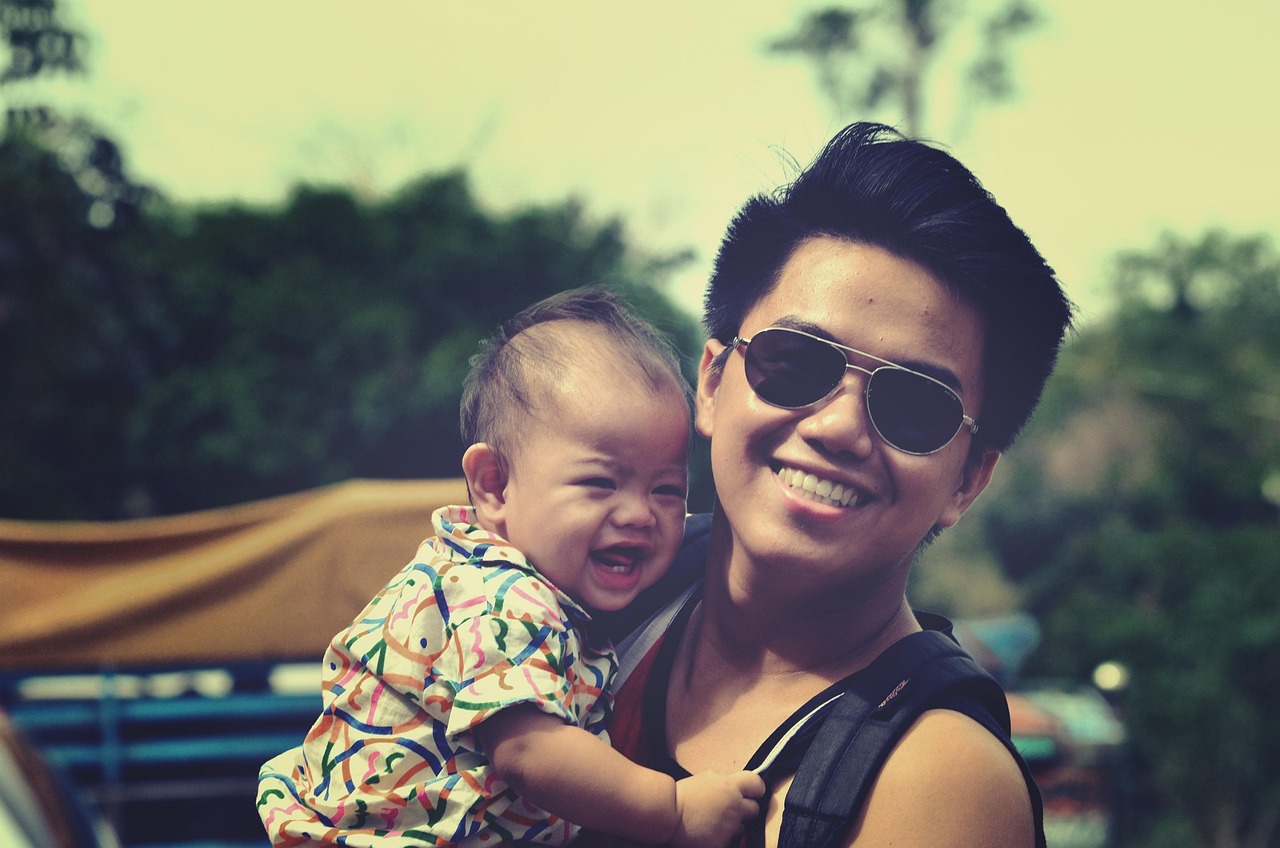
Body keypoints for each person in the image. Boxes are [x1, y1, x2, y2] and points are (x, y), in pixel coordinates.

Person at [575, 123, 1074, 848]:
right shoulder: (593, 594)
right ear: (712, 382)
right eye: (795, 362)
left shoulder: (935, 783)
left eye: (915, 406)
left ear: (967, 479)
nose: (838, 427)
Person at [257, 288, 765, 847]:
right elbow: (529, 749)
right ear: (494, 486)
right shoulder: (501, 598)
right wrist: (672, 810)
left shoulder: (477, 570)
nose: (639, 514)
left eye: (666, 489)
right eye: (600, 482)